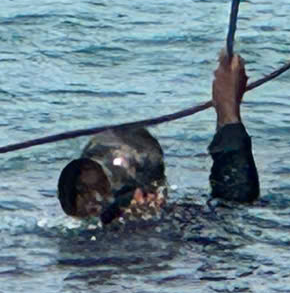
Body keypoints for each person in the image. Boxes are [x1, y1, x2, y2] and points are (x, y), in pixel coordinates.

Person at [56, 52, 260, 225]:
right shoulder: (176, 227)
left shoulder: (163, 231)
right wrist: (228, 112)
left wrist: (227, 111)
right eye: (81, 189)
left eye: (102, 188)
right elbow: (234, 205)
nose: (90, 201)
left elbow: (236, 204)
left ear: (147, 196)